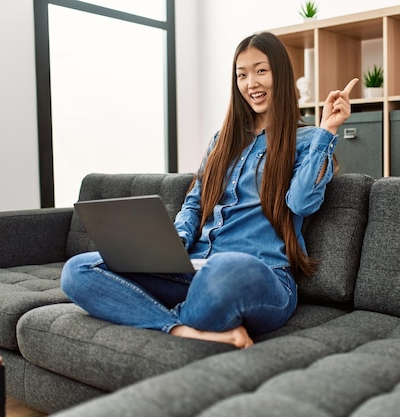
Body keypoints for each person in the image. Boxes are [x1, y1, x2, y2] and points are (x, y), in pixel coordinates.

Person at [60, 32, 358, 349]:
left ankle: (159, 317)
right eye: (242, 75)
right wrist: (173, 245)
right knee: (78, 269)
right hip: (194, 271)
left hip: (258, 275)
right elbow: (195, 204)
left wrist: (328, 130)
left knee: (226, 268)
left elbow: (301, 202)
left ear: (280, 74)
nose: (251, 83)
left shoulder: (308, 140)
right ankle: (183, 330)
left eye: (261, 71)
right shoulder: (222, 139)